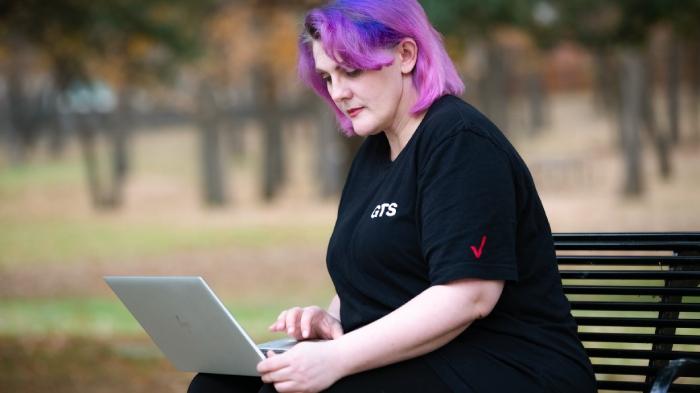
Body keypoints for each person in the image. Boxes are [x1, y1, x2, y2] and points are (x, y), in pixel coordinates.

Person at [188, 0, 596, 392]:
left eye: (351, 71)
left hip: (509, 366)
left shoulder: (459, 142)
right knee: (217, 385)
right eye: (328, 77)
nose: (338, 93)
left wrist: (336, 358)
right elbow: (378, 273)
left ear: (405, 54)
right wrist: (329, 320)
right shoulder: (375, 153)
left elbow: (470, 296)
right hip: (427, 362)